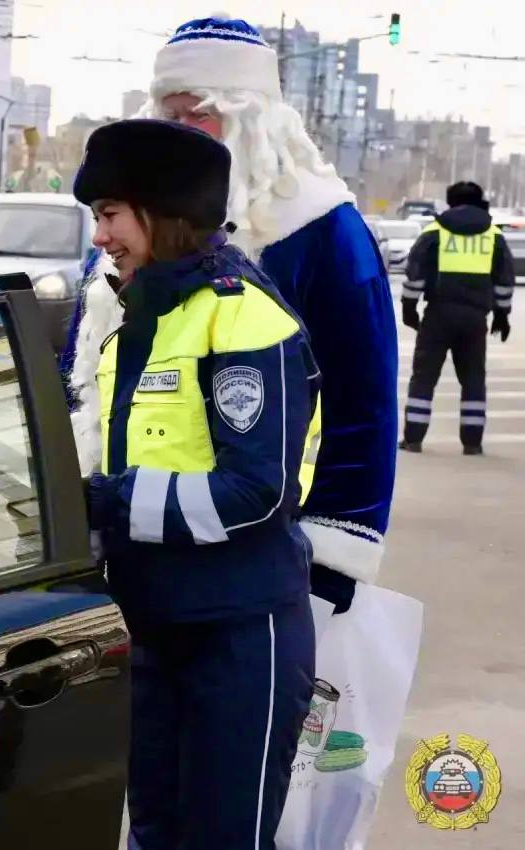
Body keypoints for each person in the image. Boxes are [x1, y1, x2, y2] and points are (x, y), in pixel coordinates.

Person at [73, 119, 319, 850]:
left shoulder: (241, 317)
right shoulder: (139, 320)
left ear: (162, 213)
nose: (100, 237)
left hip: (238, 636)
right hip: (153, 629)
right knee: (154, 834)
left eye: (111, 214)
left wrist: (106, 503)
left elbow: (255, 492)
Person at [142, 15, 396, 613]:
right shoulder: (134, 224)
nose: (179, 134)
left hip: (268, 546)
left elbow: (364, 404)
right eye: (168, 115)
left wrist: (333, 556)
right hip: (141, 535)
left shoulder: (320, 227)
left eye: (198, 115)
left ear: (251, 119)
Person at [400, 181, 514, 454]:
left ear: (450, 202)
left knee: (424, 378)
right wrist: (502, 315)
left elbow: (415, 273)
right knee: (473, 379)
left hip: (438, 316)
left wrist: (409, 308)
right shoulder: (493, 236)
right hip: (475, 319)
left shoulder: (434, 232)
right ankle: (472, 443)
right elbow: (504, 280)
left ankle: (413, 439)